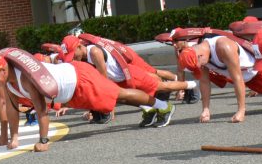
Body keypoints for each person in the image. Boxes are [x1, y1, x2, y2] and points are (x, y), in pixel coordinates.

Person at [0, 54, 173, 152]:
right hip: (70, 92)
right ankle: (151, 107)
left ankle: (163, 106)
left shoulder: (25, 78)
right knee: (115, 99)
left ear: (3, 69)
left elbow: (42, 111)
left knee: (120, 94)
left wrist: (43, 141)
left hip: (80, 78)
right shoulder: (8, 82)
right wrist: (13, 137)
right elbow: (13, 109)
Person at [61, 35, 194, 127]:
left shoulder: (94, 52)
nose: (73, 58)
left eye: (73, 54)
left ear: (79, 46)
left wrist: (109, 108)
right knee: (129, 99)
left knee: (161, 87)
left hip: (129, 74)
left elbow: (103, 80)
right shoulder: (84, 58)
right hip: (119, 79)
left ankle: (193, 85)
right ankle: (151, 109)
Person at [176, 33, 262, 123]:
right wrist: (206, 109)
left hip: (260, 73)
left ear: (199, 56)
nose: (199, 68)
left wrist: (241, 111)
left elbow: (238, 79)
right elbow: (204, 82)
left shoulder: (224, 47)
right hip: (247, 80)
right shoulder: (198, 55)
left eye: (198, 66)